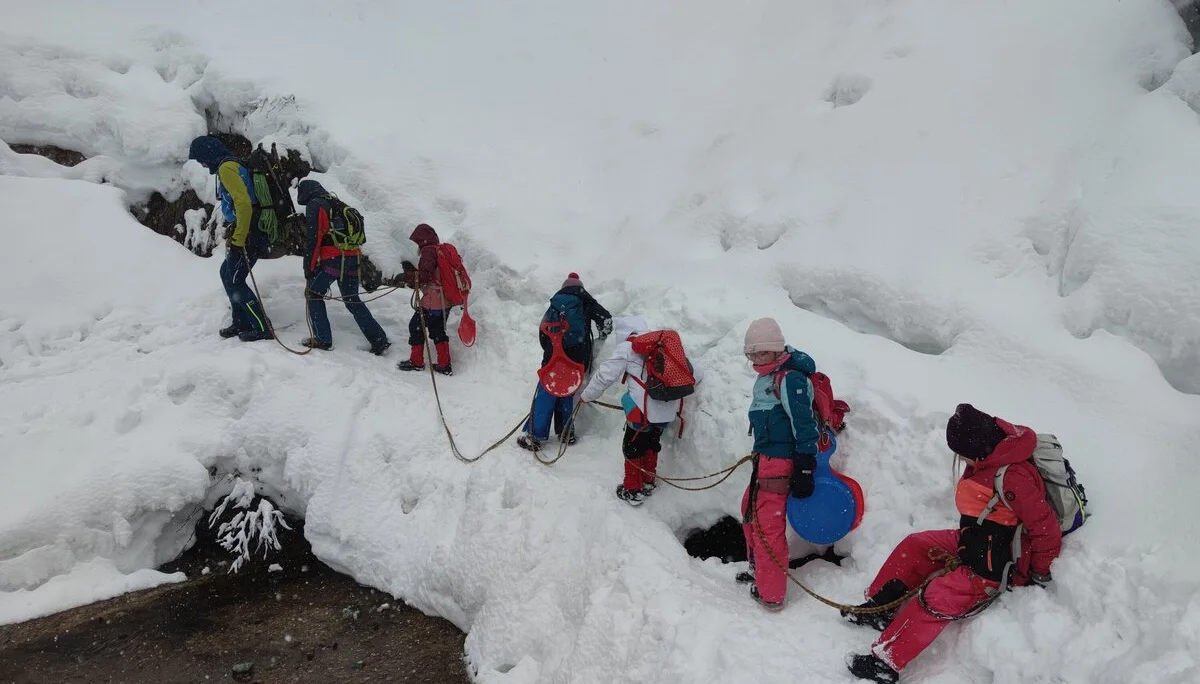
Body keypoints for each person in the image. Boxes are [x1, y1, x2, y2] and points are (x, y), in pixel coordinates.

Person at [844, 403, 1063, 683]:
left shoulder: (1012, 477)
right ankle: (880, 606)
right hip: (973, 541)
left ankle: (885, 662)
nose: (959, 458)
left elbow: (1046, 528)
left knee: (937, 596)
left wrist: (1039, 572)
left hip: (994, 567)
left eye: (961, 453)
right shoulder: (990, 452)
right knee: (915, 544)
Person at [737, 317, 820, 612]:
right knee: (749, 512)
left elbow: (804, 424)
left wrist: (805, 464)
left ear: (776, 350)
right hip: (764, 460)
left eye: (762, 353)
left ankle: (771, 592)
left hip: (782, 462)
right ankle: (758, 569)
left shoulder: (789, 379)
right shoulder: (767, 377)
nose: (757, 360)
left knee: (767, 526)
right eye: (752, 355)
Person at [577, 315, 702, 506]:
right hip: (667, 408)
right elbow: (695, 371)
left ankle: (632, 489)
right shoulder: (663, 345)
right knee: (652, 442)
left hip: (642, 410)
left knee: (632, 446)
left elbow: (605, 376)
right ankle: (648, 481)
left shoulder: (627, 347)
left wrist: (586, 396)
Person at [188, 135, 272, 342]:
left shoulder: (227, 169)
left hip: (250, 230)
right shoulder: (231, 165)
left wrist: (240, 237)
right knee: (227, 273)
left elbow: (243, 203)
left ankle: (262, 326)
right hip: (250, 228)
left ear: (208, 154)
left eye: (201, 158)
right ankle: (241, 322)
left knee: (234, 279)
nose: (201, 163)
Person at [516, 273, 613, 451]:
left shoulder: (556, 302)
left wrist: (551, 350)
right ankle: (566, 432)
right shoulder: (585, 301)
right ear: (580, 287)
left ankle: (535, 436)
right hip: (576, 359)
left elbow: (543, 332)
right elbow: (606, 319)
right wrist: (602, 337)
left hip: (553, 358)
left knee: (546, 392)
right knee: (566, 392)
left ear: (564, 286)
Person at [294, 180, 390, 355]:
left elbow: (313, 240)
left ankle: (323, 339)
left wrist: (308, 267)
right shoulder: (336, 203)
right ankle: (378, 339)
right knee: (353, 300)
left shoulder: (316, 205)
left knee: (314, 295)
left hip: (333, 259)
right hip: (352, 257)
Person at [397, 223, 452, 375]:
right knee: (438, 330)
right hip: (445, 301)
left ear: (423, 240)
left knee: (415, 326)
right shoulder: (441, 250)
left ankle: (416, 362)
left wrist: (407, 276)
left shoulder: (428, 252)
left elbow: (425, 276)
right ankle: (444, 364)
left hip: (432, 302)